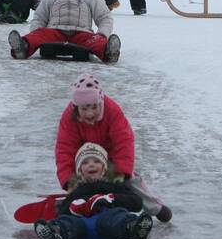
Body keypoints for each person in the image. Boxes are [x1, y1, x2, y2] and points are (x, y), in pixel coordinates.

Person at [54, 73, 172, 222]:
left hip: (110, 158)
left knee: (132, 184)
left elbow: (124, 141)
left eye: (94, 107)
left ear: (100, 102)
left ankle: (155, 207)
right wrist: (69, 180)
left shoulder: (112, 110)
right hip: (85, 158)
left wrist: (120, 172)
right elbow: (64, 148)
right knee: (80, 185)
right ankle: (71, 209)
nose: (89, 113)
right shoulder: (69, 117)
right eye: (84, 109)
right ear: (76, 108)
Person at [33, 142, 153, 239]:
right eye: (85, 162)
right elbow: (63, 213)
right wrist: (75, 207)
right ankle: (57, 234)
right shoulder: (77, 191)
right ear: (80, 171)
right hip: (81, 233)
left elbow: (137, 203)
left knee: (115, 217)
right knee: (69, 223)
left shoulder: (114, 186)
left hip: (108, 233)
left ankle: (132, 230)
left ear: (104, 168)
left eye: (96, 161)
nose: (91, 165)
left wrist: (111, 198)